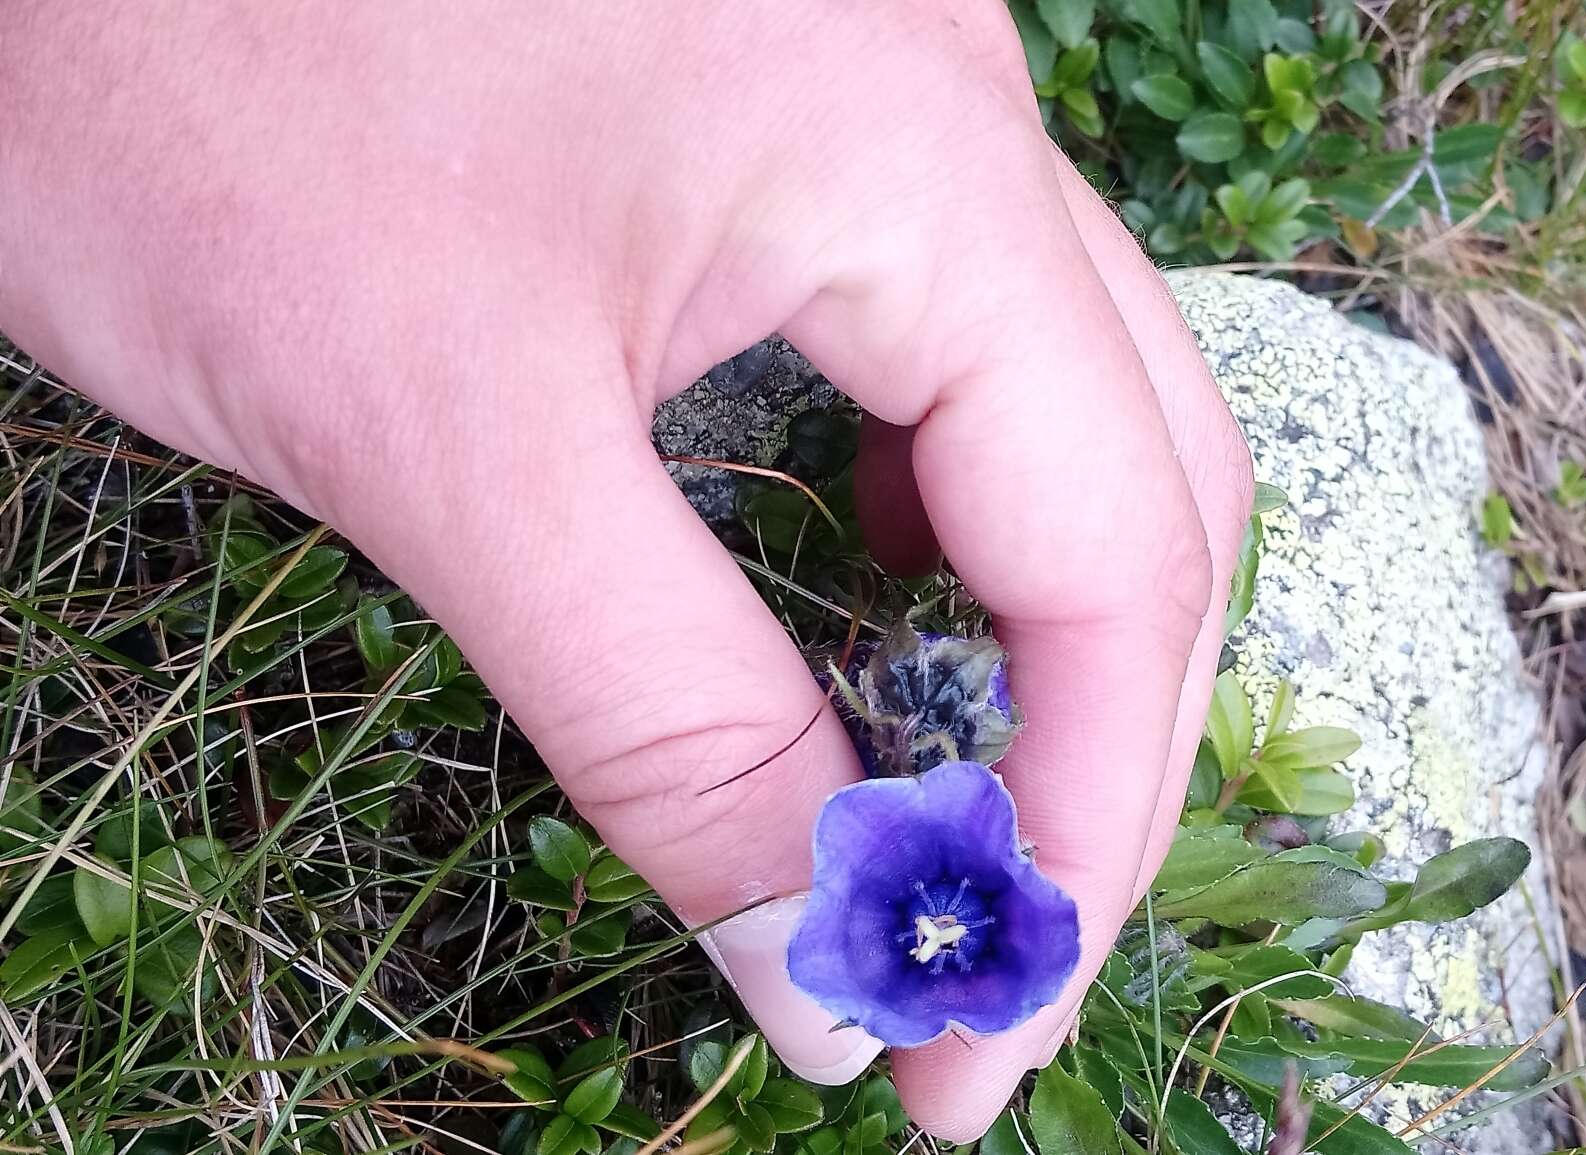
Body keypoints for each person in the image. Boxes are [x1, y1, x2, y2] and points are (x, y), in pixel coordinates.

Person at [0, 4, 1251, 1139]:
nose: (935, 934)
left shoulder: (962, 854)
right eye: (943, 932)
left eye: (933, 939)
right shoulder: (947, 834)